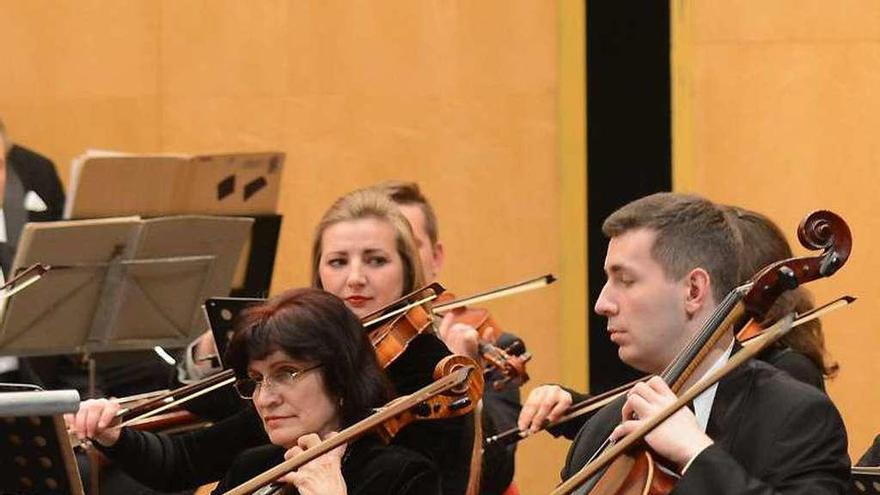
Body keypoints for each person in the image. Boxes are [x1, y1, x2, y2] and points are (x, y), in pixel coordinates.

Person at [70, 189, 473, 494]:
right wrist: (115, 437)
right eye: (337, 261)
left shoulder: (434, 372)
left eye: (376, 260)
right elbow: (187, 458)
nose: (354, 279)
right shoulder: (276, 405)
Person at [554, 192, 850, 493]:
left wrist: (696, 453)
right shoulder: (601, 431)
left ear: (694, 290)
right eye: (607, 280)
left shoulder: (796, 416)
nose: (602, 303)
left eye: (626, 280)